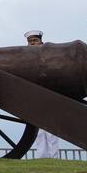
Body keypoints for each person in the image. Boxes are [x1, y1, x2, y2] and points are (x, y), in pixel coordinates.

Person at [24, 30, 60, 159]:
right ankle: (41, 156)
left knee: (51, 129)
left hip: (48, 94)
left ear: (41, 42)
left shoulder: (49, 58)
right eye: (30, 42)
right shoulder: (25, 60)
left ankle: (53, 156)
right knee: (38, 130)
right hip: (34, 96)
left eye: (35, 41)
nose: (33, 43)